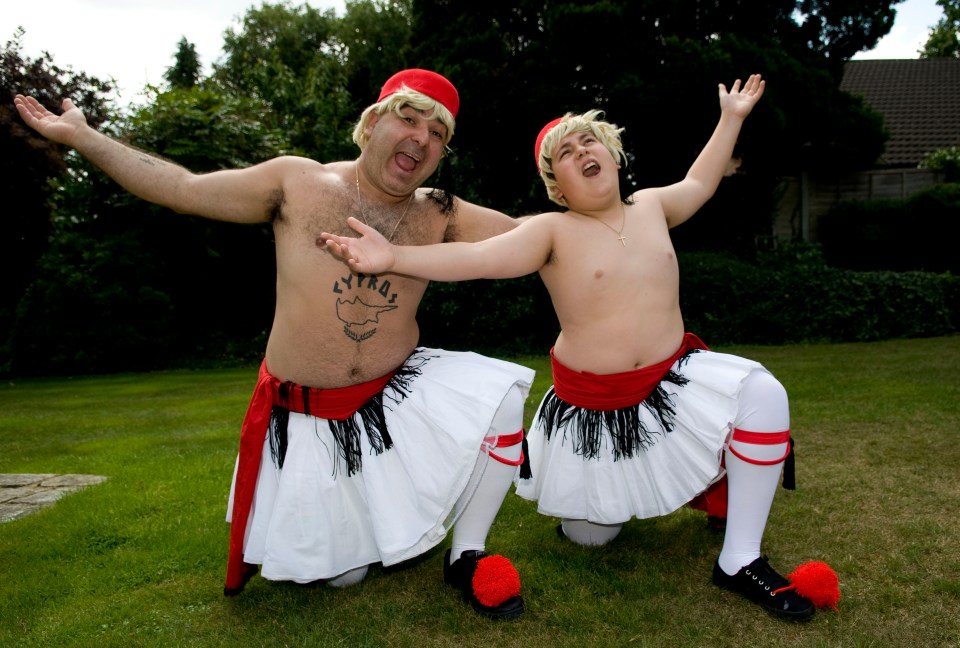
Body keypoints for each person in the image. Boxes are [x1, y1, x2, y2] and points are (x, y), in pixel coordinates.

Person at [15, 69, 535, 620]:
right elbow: (184, 191)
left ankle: (467, 554)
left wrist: (607, 214)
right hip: (307, 416)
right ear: (374, 121)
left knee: (501, 392)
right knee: (342, 577)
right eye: (409, 119)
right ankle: (360, 530)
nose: (422, 139)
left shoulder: (439, 210)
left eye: (437, 133)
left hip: (393, 399)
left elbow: (532, 235)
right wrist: (83, 136)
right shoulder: (299, 183)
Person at [320, 74, 838, 621]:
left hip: (670, 382)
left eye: (589, 142)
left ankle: (740, 559)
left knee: (763, 391)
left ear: (614, 158)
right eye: (565, 153)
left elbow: (702, 181)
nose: (582, 151)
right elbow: (475, 260)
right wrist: (392, 258)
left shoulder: (654, 207)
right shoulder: (552, 231)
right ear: (558, 188)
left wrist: (731, 117)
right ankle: (591, 506)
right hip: (597, 408)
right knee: (592, 535)